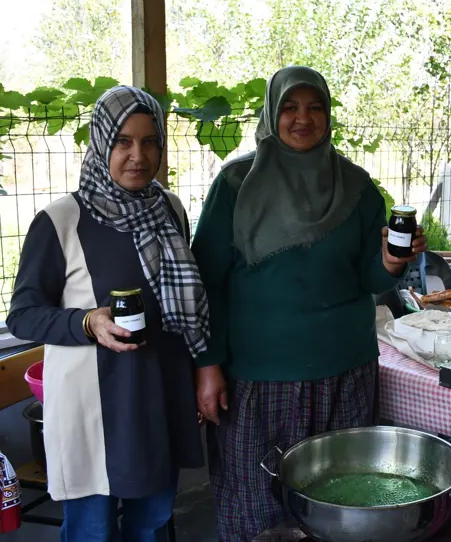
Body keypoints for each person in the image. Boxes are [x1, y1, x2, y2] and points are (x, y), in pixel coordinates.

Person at [191, 65, 426, 541]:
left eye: (315, 107)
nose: (303, 119)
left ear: (329, 115)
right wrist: (208, 365)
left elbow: (369, 278)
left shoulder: (358, 188)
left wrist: (392, 263)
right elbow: (206, 282)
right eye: (290, 108)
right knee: (257, 502)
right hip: (258, 380)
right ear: (272, 113)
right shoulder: (236, 184)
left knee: (340, 500)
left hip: (345, 372)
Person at [7, 86, 208, 541]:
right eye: (122, 141)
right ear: (101, 144)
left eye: (149, 140)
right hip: (93, 408)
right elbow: (23, 315)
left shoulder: (170, 210)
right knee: (91, 530)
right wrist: (87, 321)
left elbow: (184, 303)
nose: (138, 155)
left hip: (156, 395)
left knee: (151, 523)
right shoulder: (61, 220)